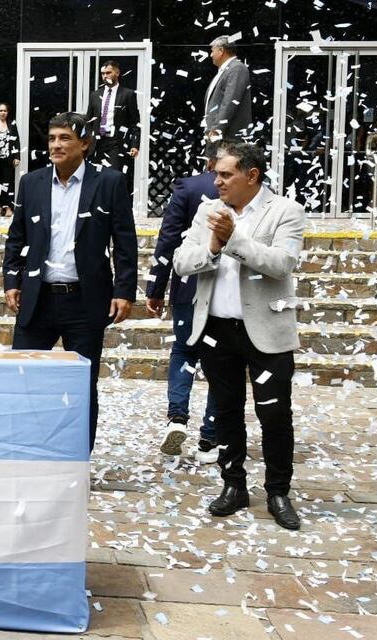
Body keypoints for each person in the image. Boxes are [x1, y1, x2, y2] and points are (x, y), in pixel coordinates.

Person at [173, 142, 305, 531]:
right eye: (216, 174)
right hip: (217, 328)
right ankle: (233, 485)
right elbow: (182, 262)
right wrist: (213, 246)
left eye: (225, 174)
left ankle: (279, 491)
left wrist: (234, 240)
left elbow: (282, 264)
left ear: (252, 175)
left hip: (267, 330)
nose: (217, 181)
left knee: (275, 414)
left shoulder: (285, 211)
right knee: (225, 410)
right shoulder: (207, 211)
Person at [2, 112, 137, 451]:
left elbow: (124, 241)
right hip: (37, 299)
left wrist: (124, 290)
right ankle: (28, 451)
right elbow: (16, 237)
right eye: (52, 138)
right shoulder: (31, 183)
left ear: (85, 144)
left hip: (85, 300)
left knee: (82, 385)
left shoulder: (109, 182)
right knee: (25, 380)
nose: (57, 145)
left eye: (65, 138)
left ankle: (77, 459)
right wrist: (11, 280)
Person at [145, 141, 221, 461]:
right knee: (221, 362)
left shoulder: (188, 187)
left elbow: (169, 238)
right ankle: (210, 437)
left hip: (189, 285)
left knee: (183, 350)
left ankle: (177, 417)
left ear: (208, 160)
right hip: (227, 293)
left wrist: (155, 287)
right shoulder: (253, 191)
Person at [84, 60, 140, 176]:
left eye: (108, 73)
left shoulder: (127, 94)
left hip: (115, 142)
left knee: (112, 175)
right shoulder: (95, 95)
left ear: (117, 73)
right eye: (103, 73)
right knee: (95, 176)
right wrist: (88, 140)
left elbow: (134, 122)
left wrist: (134, 145)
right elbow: (88, 120)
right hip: (97, 143)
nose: (105, 76)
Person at [204, 36, 252, 140]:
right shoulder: (225, 70)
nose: (211, 55)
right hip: (218, 134)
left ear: (221, 50)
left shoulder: (237, 68)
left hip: (227, 136)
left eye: (212, 51)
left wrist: (217, 129)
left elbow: (229, 100)